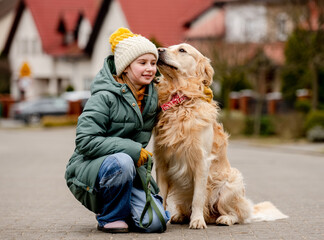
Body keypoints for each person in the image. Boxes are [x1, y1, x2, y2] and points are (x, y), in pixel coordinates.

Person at [65, 28, 170, 233]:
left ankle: (127, 212)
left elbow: (176, 104)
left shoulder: (151, 96)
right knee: (122, 161)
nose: (150, 69)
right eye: (142, 63)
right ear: (125, 67)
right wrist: (131, 149)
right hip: (91, 168)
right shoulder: (104, 97)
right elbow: (85, 141)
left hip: (129, 169)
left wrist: (197, 96)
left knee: (155, 224)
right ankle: (110, 216)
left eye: (153, 63)